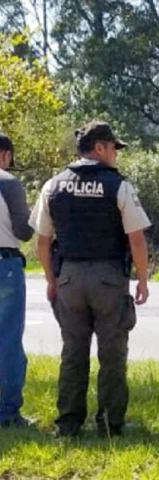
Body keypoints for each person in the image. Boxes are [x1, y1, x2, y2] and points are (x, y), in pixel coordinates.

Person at [29, 121, 152, 438]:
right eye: (114, 148)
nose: (116, 155)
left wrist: (51, 280)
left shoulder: (52, 186)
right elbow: (136, 239)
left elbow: (42, 241)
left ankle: (68, 424)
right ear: (99, 148)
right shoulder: (118, 186)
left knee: (72, 353)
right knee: (112, 354)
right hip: (109, 279)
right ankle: (111, 424)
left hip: (69, 277)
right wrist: (143, 279)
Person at [0, 133, 35, 428]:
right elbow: (24, 231)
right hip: (5, 265)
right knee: (8, 341)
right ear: (5, 155)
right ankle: (8, 413)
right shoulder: (8, 182)